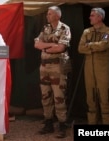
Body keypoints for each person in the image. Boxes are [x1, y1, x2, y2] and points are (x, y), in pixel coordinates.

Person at [34, 6, 71, 138]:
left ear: (57, 15)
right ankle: (48, 123)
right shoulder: (45, 28)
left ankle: (62, 125)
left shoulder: (64, 29)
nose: (47, 16)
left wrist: (46, 46)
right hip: (44, 67)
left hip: (57, 67)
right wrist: (49, 46)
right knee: (45, 96)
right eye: (47, 14)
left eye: (50, 14)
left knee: (59, 97)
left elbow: (61, 47)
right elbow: (37, 44)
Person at [78, 8, 109, 125]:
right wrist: (93, 47)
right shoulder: (87, 32)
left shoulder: (108, 32)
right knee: (91, 98)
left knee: (104, 98)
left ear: (100, 17)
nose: (90, 17)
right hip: (88, 69)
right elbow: (80, 48)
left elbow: (104, 45)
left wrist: (89, 45)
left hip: (102, 69)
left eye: (92, 15)